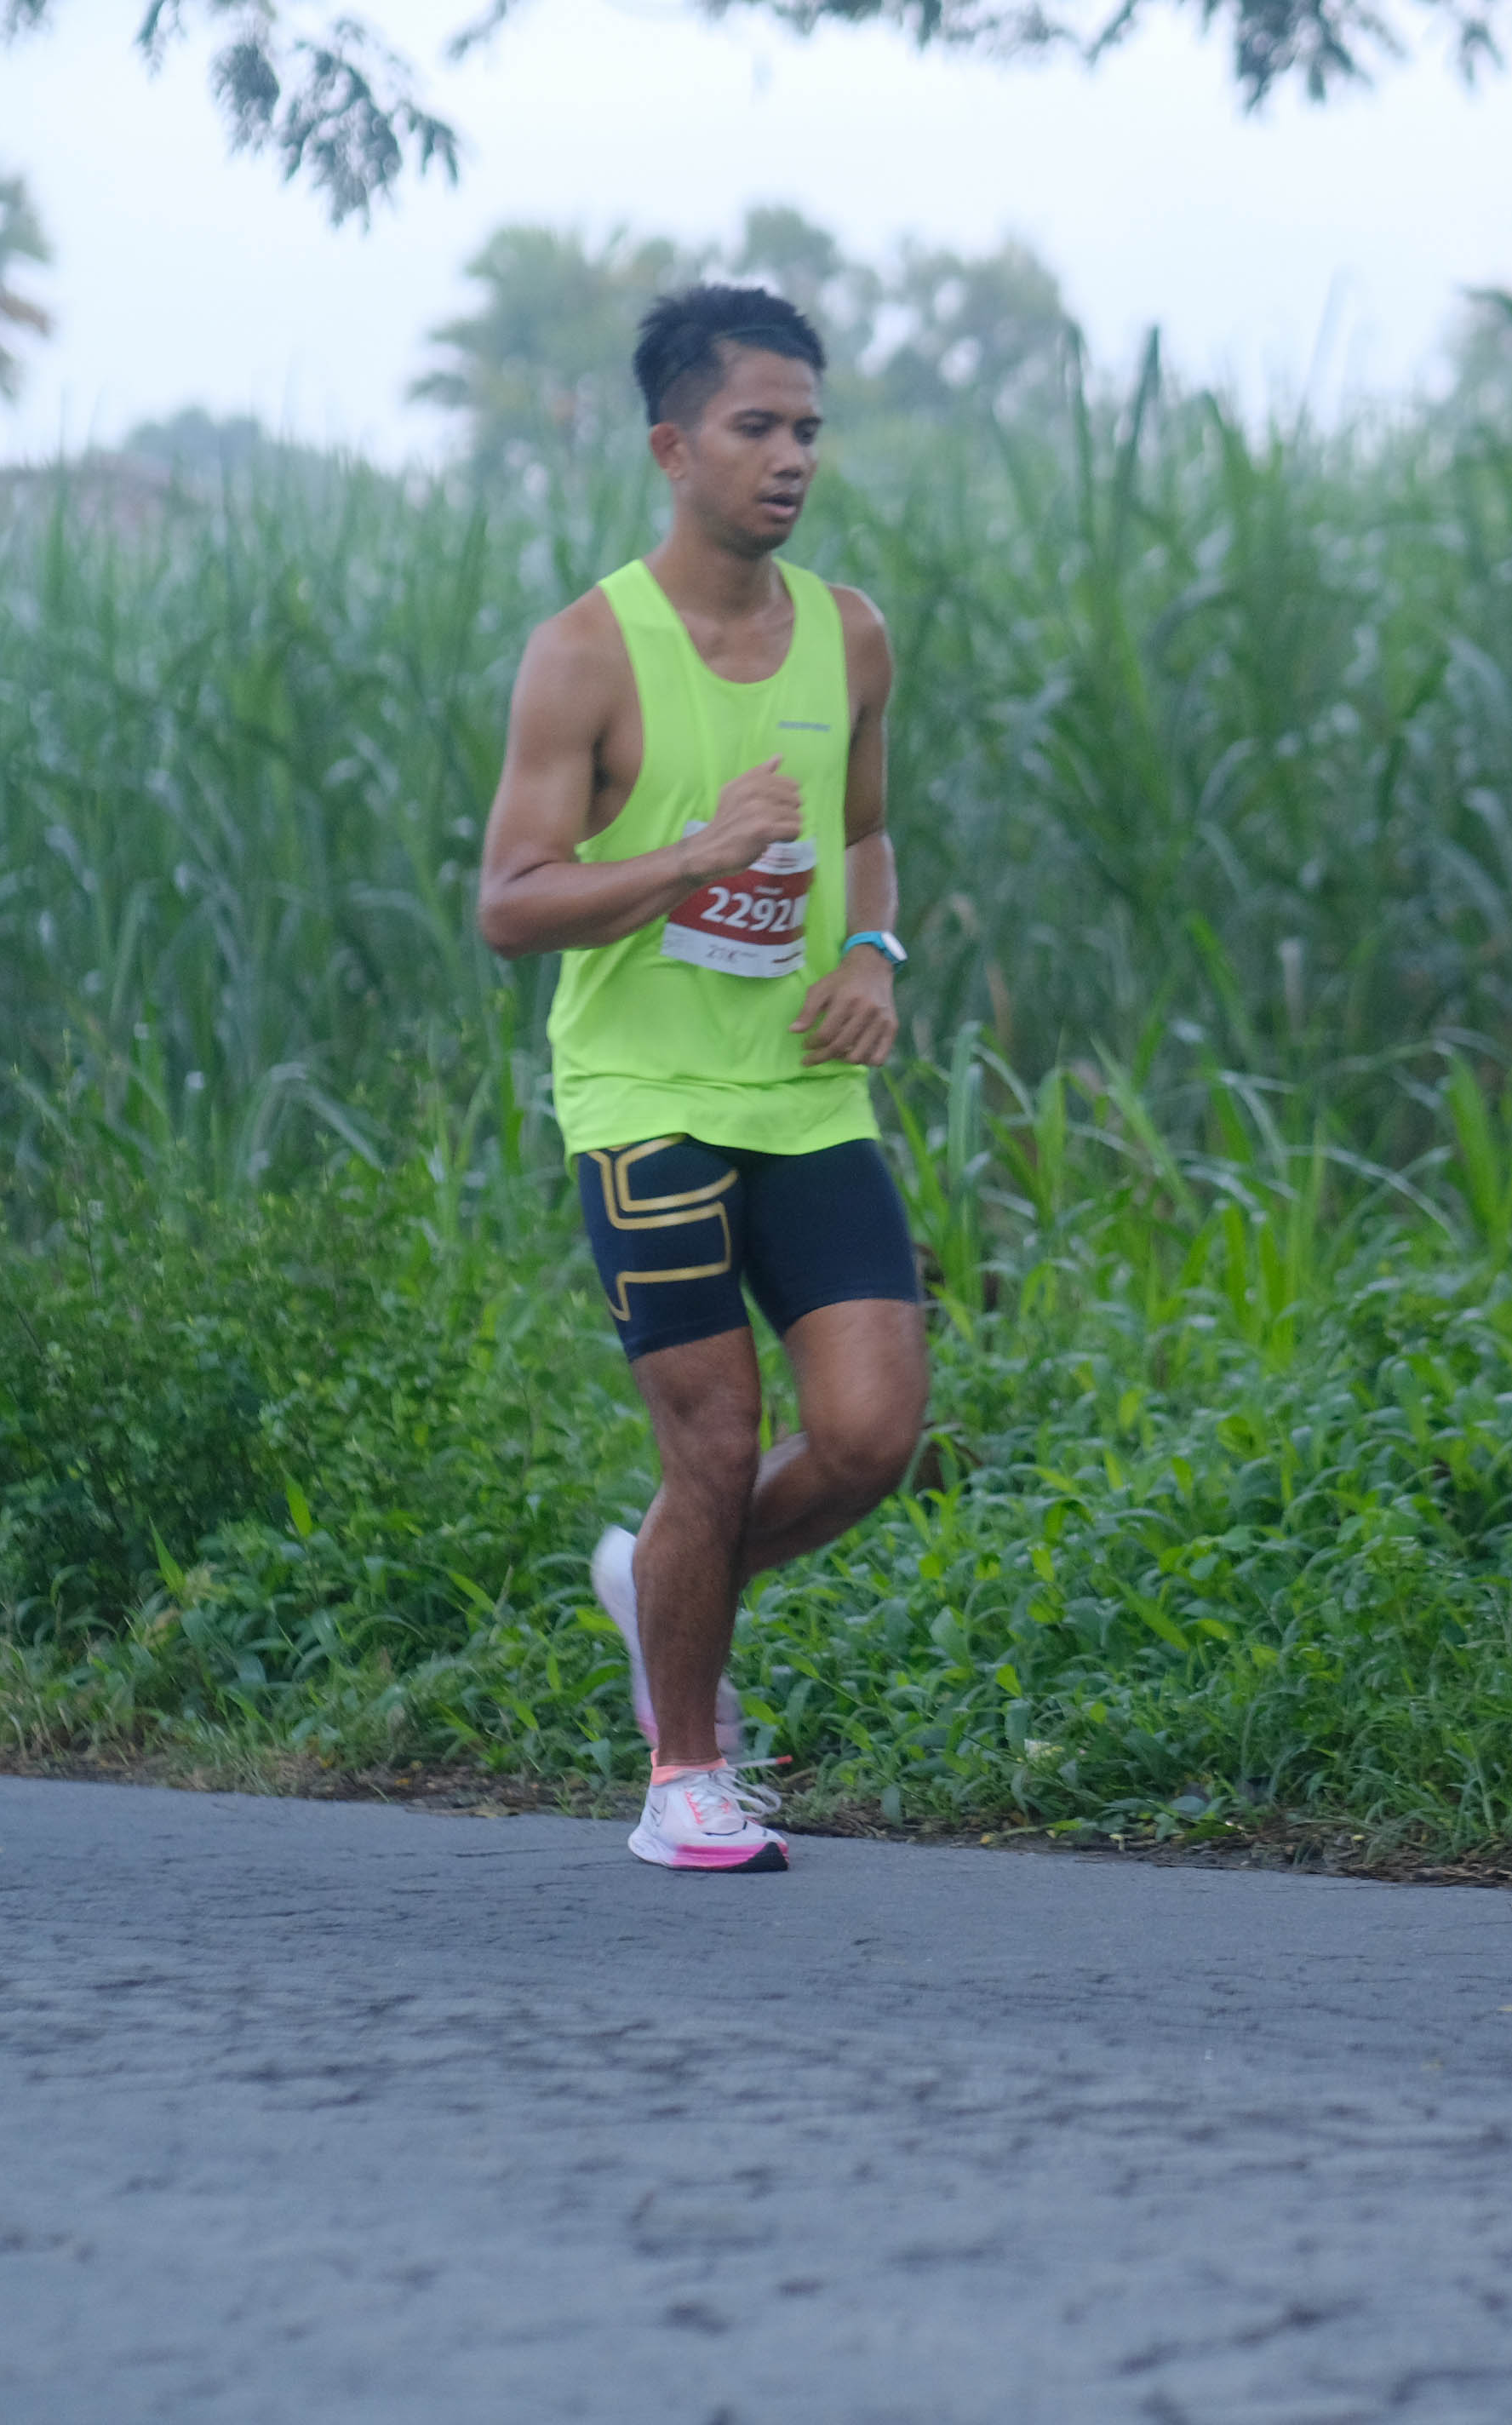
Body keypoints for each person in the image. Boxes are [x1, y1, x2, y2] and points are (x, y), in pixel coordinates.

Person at [475, 284, 928, 1873]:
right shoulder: (587, 653)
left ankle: (655, 1578)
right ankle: (684, 1778)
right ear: (674, 449)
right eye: (756, 428)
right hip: (644, 1099)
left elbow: (866, 833)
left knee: (873, 1436)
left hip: (800, 1096)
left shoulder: (851, 635)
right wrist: (690, 857)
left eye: (807, 428)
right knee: (717, 1446)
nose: (791, 456)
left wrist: (872, 955)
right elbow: (509, 904)